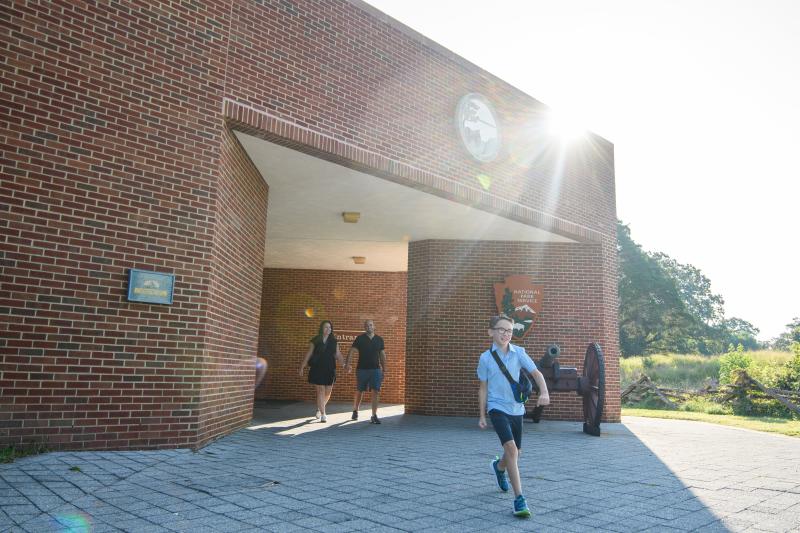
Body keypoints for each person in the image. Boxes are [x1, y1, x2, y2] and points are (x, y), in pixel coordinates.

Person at [477, 314, 550, 518]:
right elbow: (483, 388)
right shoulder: (485, 358)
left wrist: (544, 392)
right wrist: (482, 414)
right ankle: (519, 499)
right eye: (501, 329)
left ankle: (499, 468)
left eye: (509, 330)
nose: (506, 334)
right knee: (510, 448)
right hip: (496, 408)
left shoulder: (519, 353)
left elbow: (536, 374)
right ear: (491, 332)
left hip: (517, 409)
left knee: (515, 452)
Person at [299, 320, 343, 423]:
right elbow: (309, 353)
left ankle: (319, 408)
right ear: (322, 329)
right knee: (320, 390)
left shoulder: (334, 341)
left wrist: (344, 364)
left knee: (328, 392)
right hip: (317, 368)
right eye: (326, 327)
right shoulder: (315, 340)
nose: (328, 329)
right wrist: (302, 366)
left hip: (329, 368)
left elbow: (337, 354)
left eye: (330, 327)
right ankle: (323, 414)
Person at [344, 319, 386, 424]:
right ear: (364, 327)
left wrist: (384, 369)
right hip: (362, 369)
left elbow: (382, 355)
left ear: (374, 326)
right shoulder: (360, 339)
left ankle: (374, 415)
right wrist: (348, 364)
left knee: (376, 391)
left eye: (371, 325)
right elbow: (352, 351)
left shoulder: (379, 339)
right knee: (360, 390)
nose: (369, 327)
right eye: (367, 325)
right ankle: (355, 410)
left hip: (376, 370)